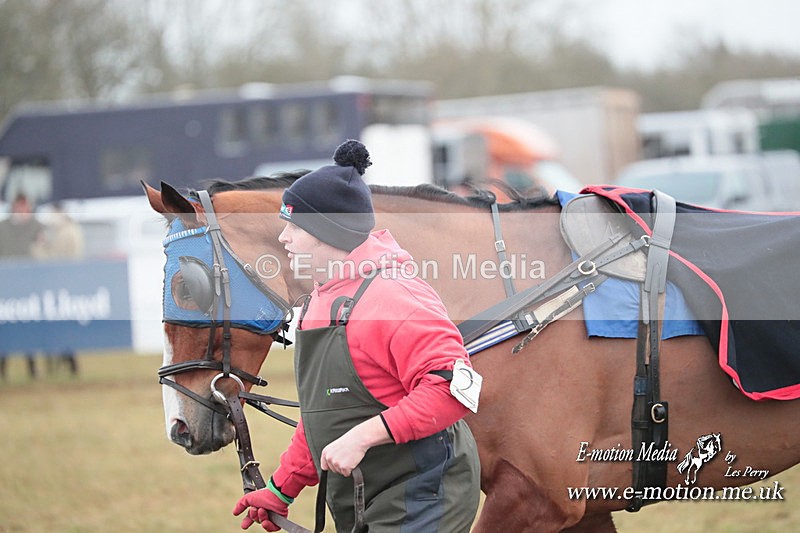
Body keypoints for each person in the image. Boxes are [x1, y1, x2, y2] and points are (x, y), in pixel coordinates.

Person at [232, 140, 482, 532]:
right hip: (365, 496)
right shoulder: (319, 301)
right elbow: (325, 413)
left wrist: (362, 437)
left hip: (424, 491)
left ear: (325, 231)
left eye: (294, 226)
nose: (283, 238)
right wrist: (282, 489)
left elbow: (453, 390)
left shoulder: (395, 297)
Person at [35, 202, 84, 376]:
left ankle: (69, 363)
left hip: (60, 286)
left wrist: (40, 247)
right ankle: (69, 363)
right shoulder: (70, 230)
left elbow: (53, 260)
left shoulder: (64, 233)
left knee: (61, 327)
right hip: (67, 285)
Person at [0, 193, 46, 379]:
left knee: (28, 328)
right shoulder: (3, 228)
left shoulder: (36, 227)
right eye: (19, 206)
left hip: (28, 286)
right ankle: (3, 367)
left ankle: (32, 367)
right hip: (7, 286)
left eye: (25, 206)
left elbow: (44, 252)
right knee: (6, 329)